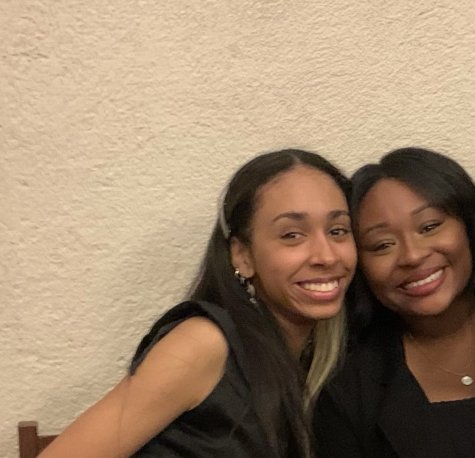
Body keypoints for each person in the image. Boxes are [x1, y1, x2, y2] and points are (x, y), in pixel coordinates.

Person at [41, 149, 357, 458]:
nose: (326, 256)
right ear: (242, 255)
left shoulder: (316, 358)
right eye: (291, 235)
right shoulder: (203, 343)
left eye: (338, 230)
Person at [313, 147, 475, 457]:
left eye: (429, 227)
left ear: (470, 226)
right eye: (382, 245)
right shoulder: (348, 390)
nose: (412, 255)